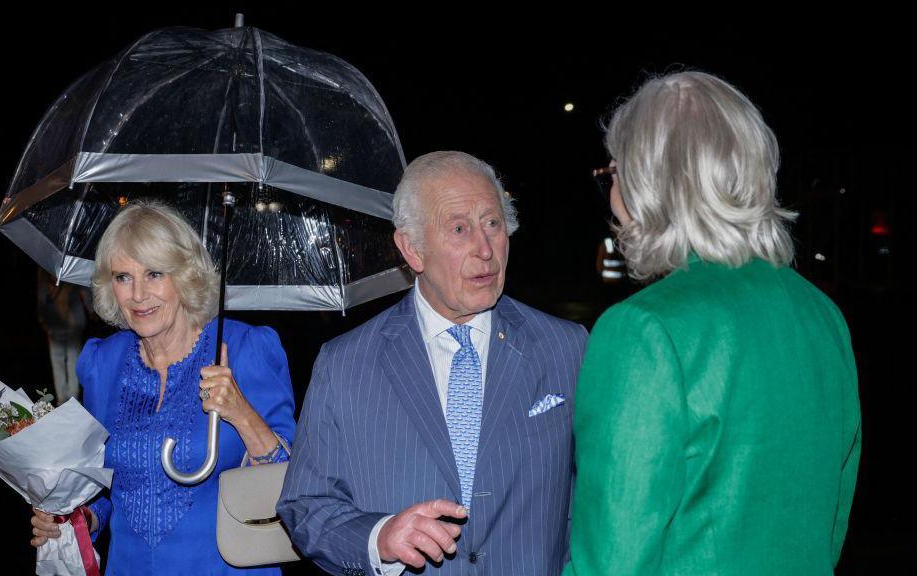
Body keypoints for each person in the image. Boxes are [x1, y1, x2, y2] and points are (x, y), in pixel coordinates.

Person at [564, 71, 861, 575]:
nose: (611, 197)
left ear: (648, 183)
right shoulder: (822, 316)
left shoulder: (643, 330)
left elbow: (610, 561)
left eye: (614, 173)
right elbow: (830, 524)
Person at [278, 151, 588, 575]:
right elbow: (306, 507)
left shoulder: (566, 348)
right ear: (412, 250)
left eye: (493, 223)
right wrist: (378, 537)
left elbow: (595, 497)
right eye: (460, 228)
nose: (485, 249)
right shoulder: (345, 364)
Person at [28, 201, 296, 575]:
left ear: (185, 276)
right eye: (123, 277)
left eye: (154, 274)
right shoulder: (103, 363)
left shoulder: (244, 349)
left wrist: (242, 413)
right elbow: (107, 484)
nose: (138, 295)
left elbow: (293, 486)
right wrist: (83, 517)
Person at [36, 268, 90, 404]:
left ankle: (62, 398)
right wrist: (91, 309)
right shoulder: (72, 269)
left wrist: (42, 319)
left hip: (56, 322)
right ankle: (72, 398)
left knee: (58, 360)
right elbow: (85, 292)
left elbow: (41, 300)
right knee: (71, 359)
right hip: (71, 321)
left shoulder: (44, 269)